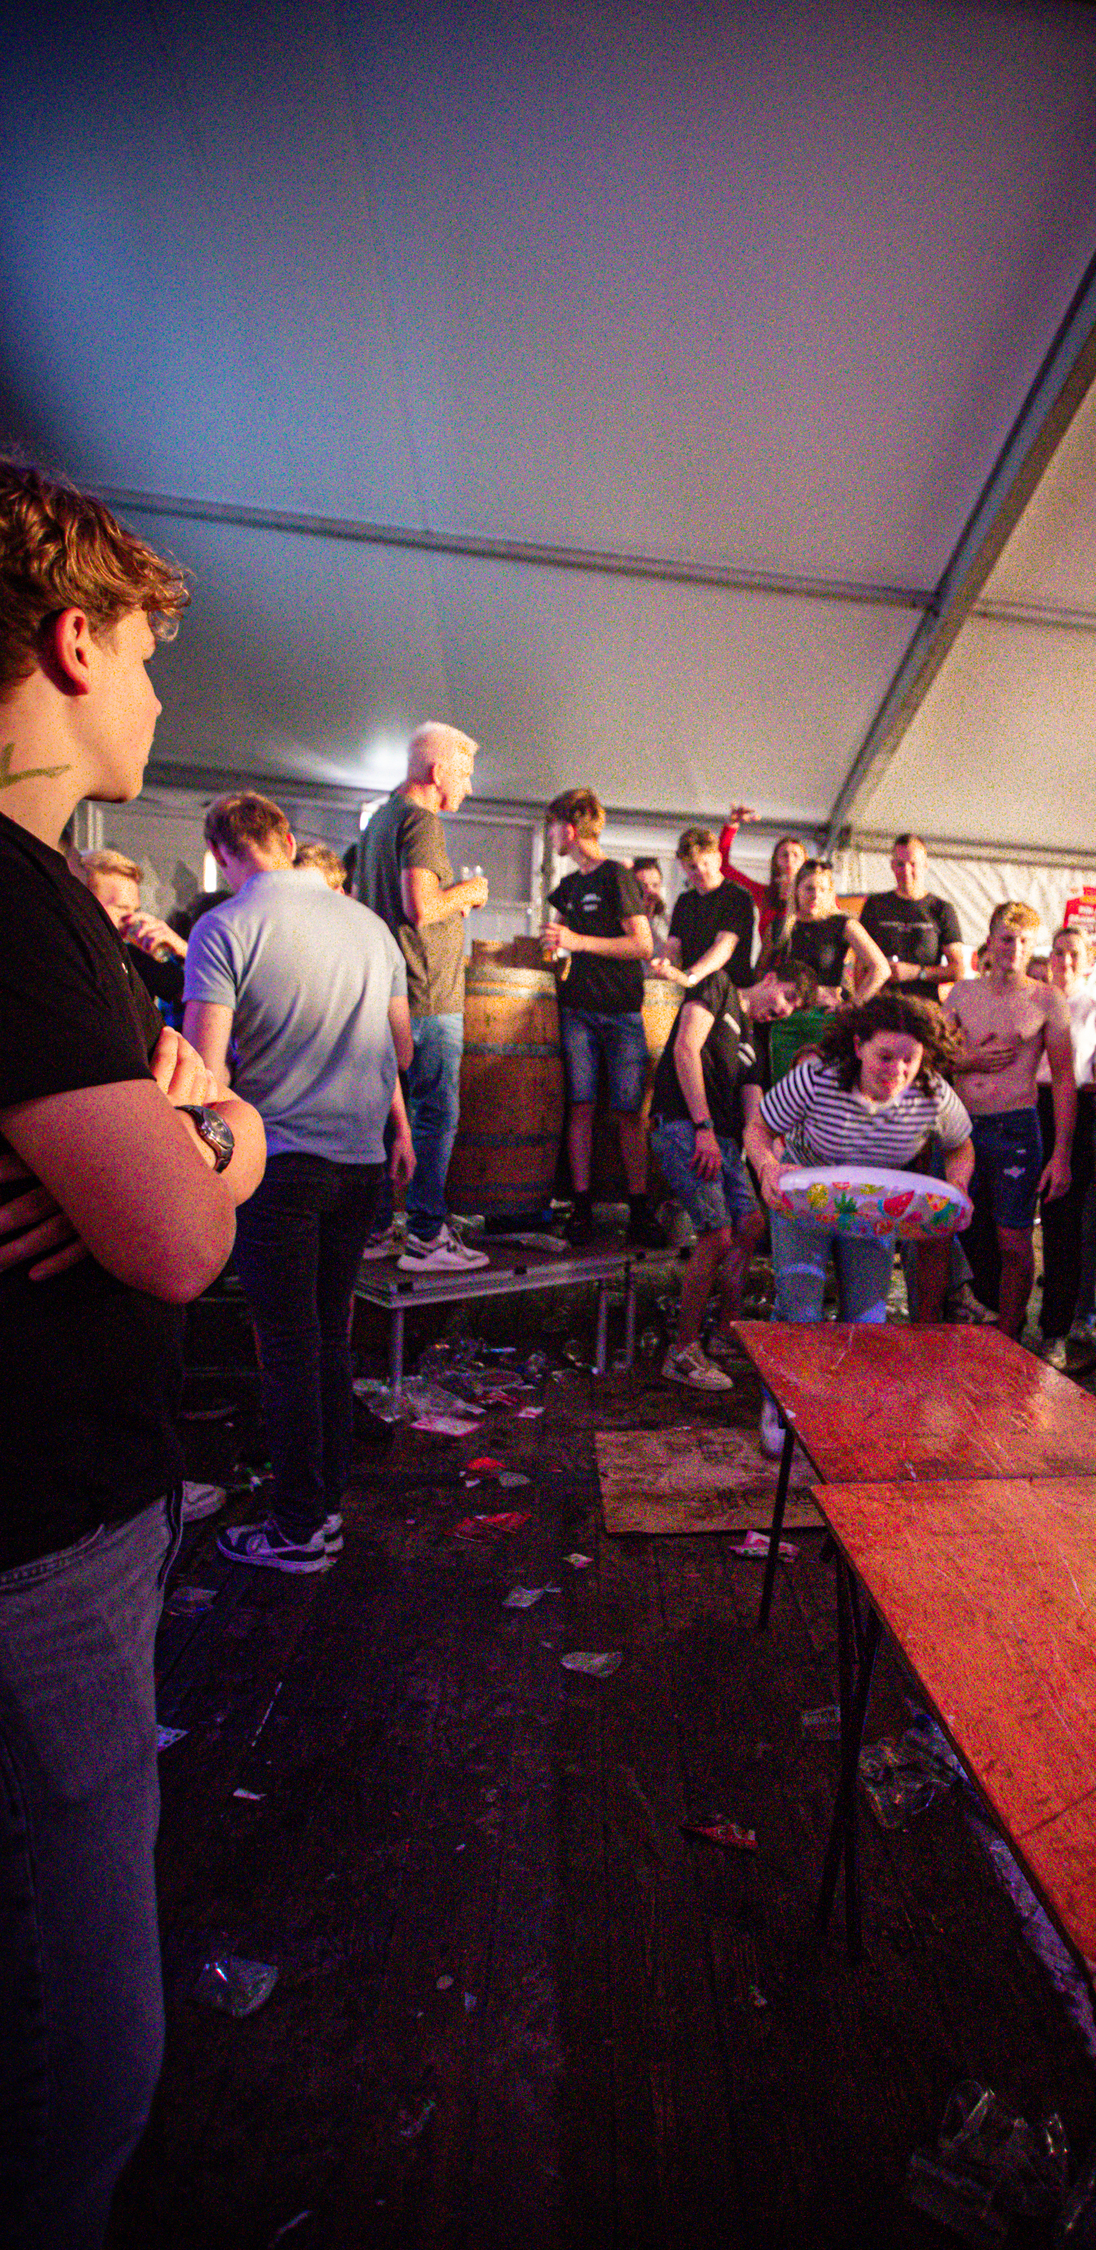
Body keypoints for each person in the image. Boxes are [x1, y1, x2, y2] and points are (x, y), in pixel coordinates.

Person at [0, 460, 265, 2249]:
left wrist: (184, 1121)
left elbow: (166, 1163)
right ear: (73, 643)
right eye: (153, 653)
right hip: (35, 1537)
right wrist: (208, 1139)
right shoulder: (19, 898)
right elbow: (176, 1240)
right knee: (76, 2056)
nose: (163, 695)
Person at [183, 792, 416, 1573]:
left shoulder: (224, 927)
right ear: (286, 839)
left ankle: (293, 1527)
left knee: (286, 1348)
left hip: (280, 1165)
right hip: (359, 1163)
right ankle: (322, 1512)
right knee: (328, 1340)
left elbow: (204, 1075)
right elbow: (405, 1052)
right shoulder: (371, 927)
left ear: (221, 854)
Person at [744, 993, 973, 1455]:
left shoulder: (934, 1095)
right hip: (805, 1198)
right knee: (801, 1306)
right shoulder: (816, 1079)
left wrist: (957, 1188)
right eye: (885, 1056)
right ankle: (782, 1406)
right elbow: (758, 1128)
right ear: (858, 1047)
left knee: (868, 1319)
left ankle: (849, 1412)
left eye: (909, 1058)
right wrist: (768, 1166)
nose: (897, 1069)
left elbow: (961, 1146)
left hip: (874, 1206)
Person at [355, 722, 489, 1270]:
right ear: (437, 773)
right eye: (465, 774)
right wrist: (470, 893)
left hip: (390, 992)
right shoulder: (422, 820)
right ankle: (428, 1237)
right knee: (437, 1113)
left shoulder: (382, 819)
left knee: (387, 1116)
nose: (470, 788)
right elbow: (422, 906)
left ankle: (379, 1227)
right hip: (427, 994)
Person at [652, 955, 816, 1390]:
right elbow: (685, 1048)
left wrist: (774, 1157)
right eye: (785, 999)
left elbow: (755, 1109)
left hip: (723, 1140)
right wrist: (702, 1125)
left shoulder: (754, 1041)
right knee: (716, 1234)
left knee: (750, 1223)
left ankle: (726, 1331)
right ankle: (682, 1352)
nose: (782, 1012)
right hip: (685, 1125)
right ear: (769, 977)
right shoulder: (718, 986)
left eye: (789, 1012)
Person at [946, 903, 1075, 1337]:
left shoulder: (1046, 999)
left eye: (1023, 941)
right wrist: (968, 1058)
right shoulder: (963, 994)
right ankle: (949, 1326)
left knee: (1013, 1239)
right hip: (962, 1127)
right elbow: (929, 1057)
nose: (1014, 949)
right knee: (947, 1229)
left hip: (1016, 1127)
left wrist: (1062, 1154)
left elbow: (1063, 1080)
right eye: (1006, 938)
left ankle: (1009, 1333)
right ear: (990, 939)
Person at [541, 787, 661, 1247]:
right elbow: (559, 945)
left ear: (569, 830)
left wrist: (576, 940)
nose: (550, 835)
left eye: (553, 826)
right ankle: (582, 1208)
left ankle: (640, 1211)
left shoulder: (617, 876)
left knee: (629, 1113)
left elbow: (643, 945)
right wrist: (553, 948)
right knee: (582, 1107)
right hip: (577, 1011)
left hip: (621, 1013)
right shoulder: (568, 887)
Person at [1035, 925, 1096, 1364]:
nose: (1065, 961)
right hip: (1026, 1109)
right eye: (1058, 952)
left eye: (1074, 954)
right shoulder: (1032, 999)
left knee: (1064, 1231)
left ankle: (1055, 1332)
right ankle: (1001, 1319)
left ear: (1088, 963)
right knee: (1009, 1224)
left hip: (1075, 1114)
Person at [77, 845, 189, 1013]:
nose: (131, 919)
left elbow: (198, 999)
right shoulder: (66, 957)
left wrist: (184, 952)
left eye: (135, 910)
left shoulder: (137, 955)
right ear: (83, 903)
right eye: (121, 908)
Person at [858, 833, 967, 999]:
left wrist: (917, 973)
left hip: (923, 1009)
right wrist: (860, 1003)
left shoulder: (941, 909)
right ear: (892, 866)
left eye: (913, 864)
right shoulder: (875, 905)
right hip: (881, 1007)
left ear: (925, 865)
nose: (906, 870)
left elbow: (958, 970)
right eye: (900, 864)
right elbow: (860, 963)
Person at [660, 826, 756, 990]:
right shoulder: (685, 901)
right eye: (692, 867)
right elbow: (673, 946)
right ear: (683, 866)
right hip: (691, 987)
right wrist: (665, 966)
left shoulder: (738, 896)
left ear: (718, 860)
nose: (700, 871)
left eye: (705, 863)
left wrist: (690, 976)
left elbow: (724, 946)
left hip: (728, 989)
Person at [786, 859, 889, 1008]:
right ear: (796, 890)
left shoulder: (843, 924)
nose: (816, 895)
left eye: (823, 890)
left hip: (823, 1015)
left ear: (830, 893)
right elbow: (761, 971)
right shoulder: (783, 926)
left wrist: (853, 1005)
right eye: (809, 888)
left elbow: (881, 968)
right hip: (784, 1015)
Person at [717, 804, 806, 953]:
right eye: (784, 855)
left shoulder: (817, 894)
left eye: (796, 855)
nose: (790, 859)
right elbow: (722, 867)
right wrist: (731, 825)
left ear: (805, 862)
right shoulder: (763, 894)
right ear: (775, 862)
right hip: (769, 968)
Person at [631, 854, 670, 953]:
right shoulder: (626, 923)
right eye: (644, 886)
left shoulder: (669, 922)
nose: (650, 891)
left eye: (655, 885)